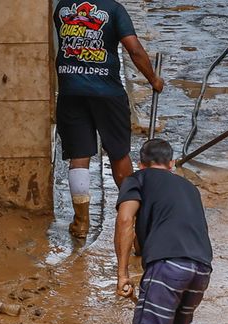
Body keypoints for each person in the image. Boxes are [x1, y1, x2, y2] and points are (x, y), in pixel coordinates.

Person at [114, 139, 213, 324]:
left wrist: (122, 273)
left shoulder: (137, 179)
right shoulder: (188, 188)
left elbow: (126, 219)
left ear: (141, 163)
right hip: (201, 267)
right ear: (172, 164)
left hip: (167, 265)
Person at [54, 0, 165, 239]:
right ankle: (135, 219)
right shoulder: (114, 10)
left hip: (71, 91)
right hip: (107, 94)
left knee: (79, 157)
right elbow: (134, 50)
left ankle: (81, 222)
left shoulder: (62, 8)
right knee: (119, 154)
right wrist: (153, 79)